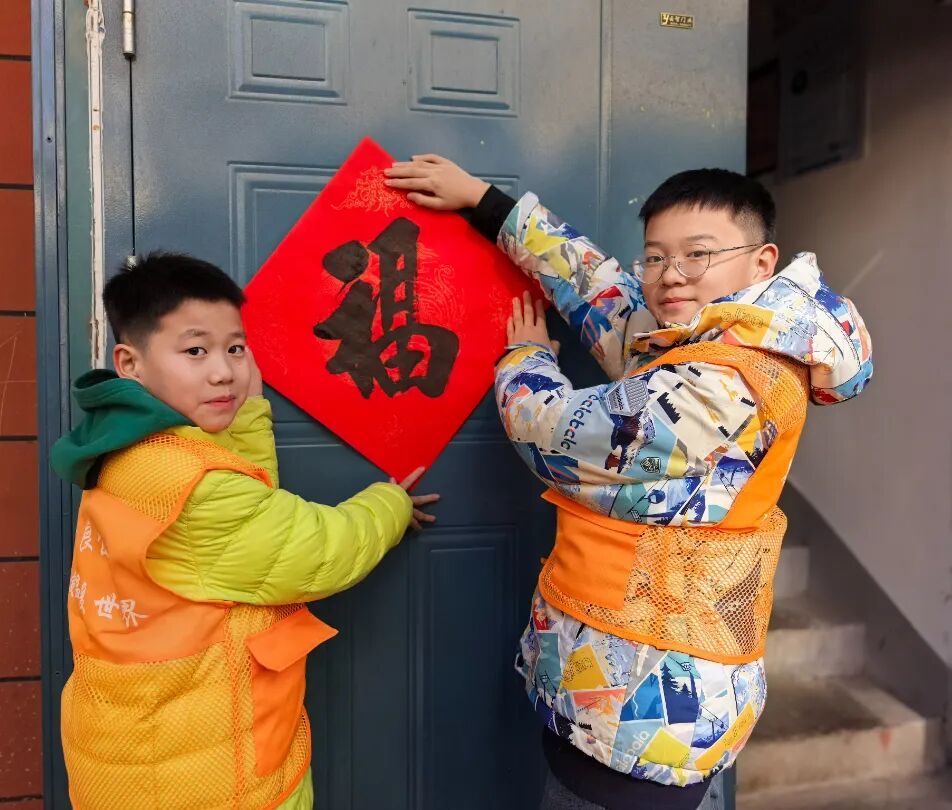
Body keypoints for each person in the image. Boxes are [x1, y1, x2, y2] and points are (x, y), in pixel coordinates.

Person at [384, 157, 873, 810]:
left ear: (762, 263)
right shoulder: (704, 338)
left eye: (698, 254)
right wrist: (484, 201)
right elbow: (599, 290)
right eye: (657, 257)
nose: (671, 274)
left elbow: (558, 435)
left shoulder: (727, 386)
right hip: (618, 698)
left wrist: (525, 360)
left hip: (646, 722)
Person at [49, 252, 439, 810]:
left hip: (142, 752)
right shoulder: (197, 489)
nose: (224, 372)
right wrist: (391, 502)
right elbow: (322, 551)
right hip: (213, 781)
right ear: (129, 363)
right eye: (195, 350)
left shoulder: (125, 448)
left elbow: (242, 519)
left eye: (235, 348)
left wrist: (249, 417)